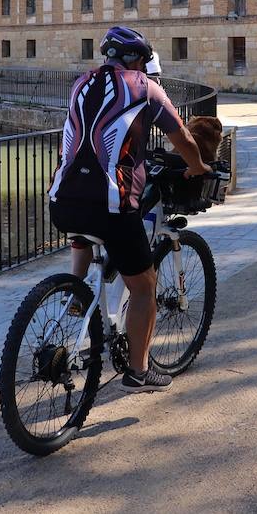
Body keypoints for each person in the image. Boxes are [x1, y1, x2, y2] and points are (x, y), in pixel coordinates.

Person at [49, 26, 209, 392]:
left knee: (91, 235)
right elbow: (182, 136)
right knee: (144, 285)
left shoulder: (80, 83)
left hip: (61, 200)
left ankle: (77, 291)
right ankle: (138, 371)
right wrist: (198, 166)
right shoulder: (144, 86)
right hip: (110, 206)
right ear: (138, 59)